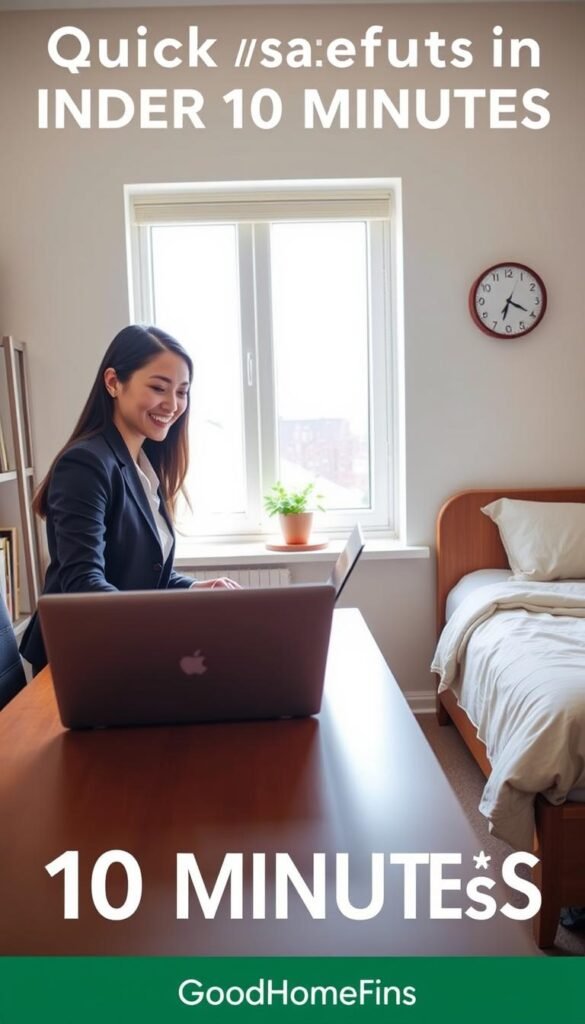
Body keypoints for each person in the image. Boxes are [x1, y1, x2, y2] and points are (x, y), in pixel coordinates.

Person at [20, 324, 239, 675]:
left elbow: (139, 573)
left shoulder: (143, 466)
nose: (172, 405)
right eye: (157, 388)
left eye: (182, 392)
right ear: (113, 382)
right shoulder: (86, 463)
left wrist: (192, 588)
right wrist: (166, 624)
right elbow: (84, 585)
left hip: (117, 646)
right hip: (76, 660)